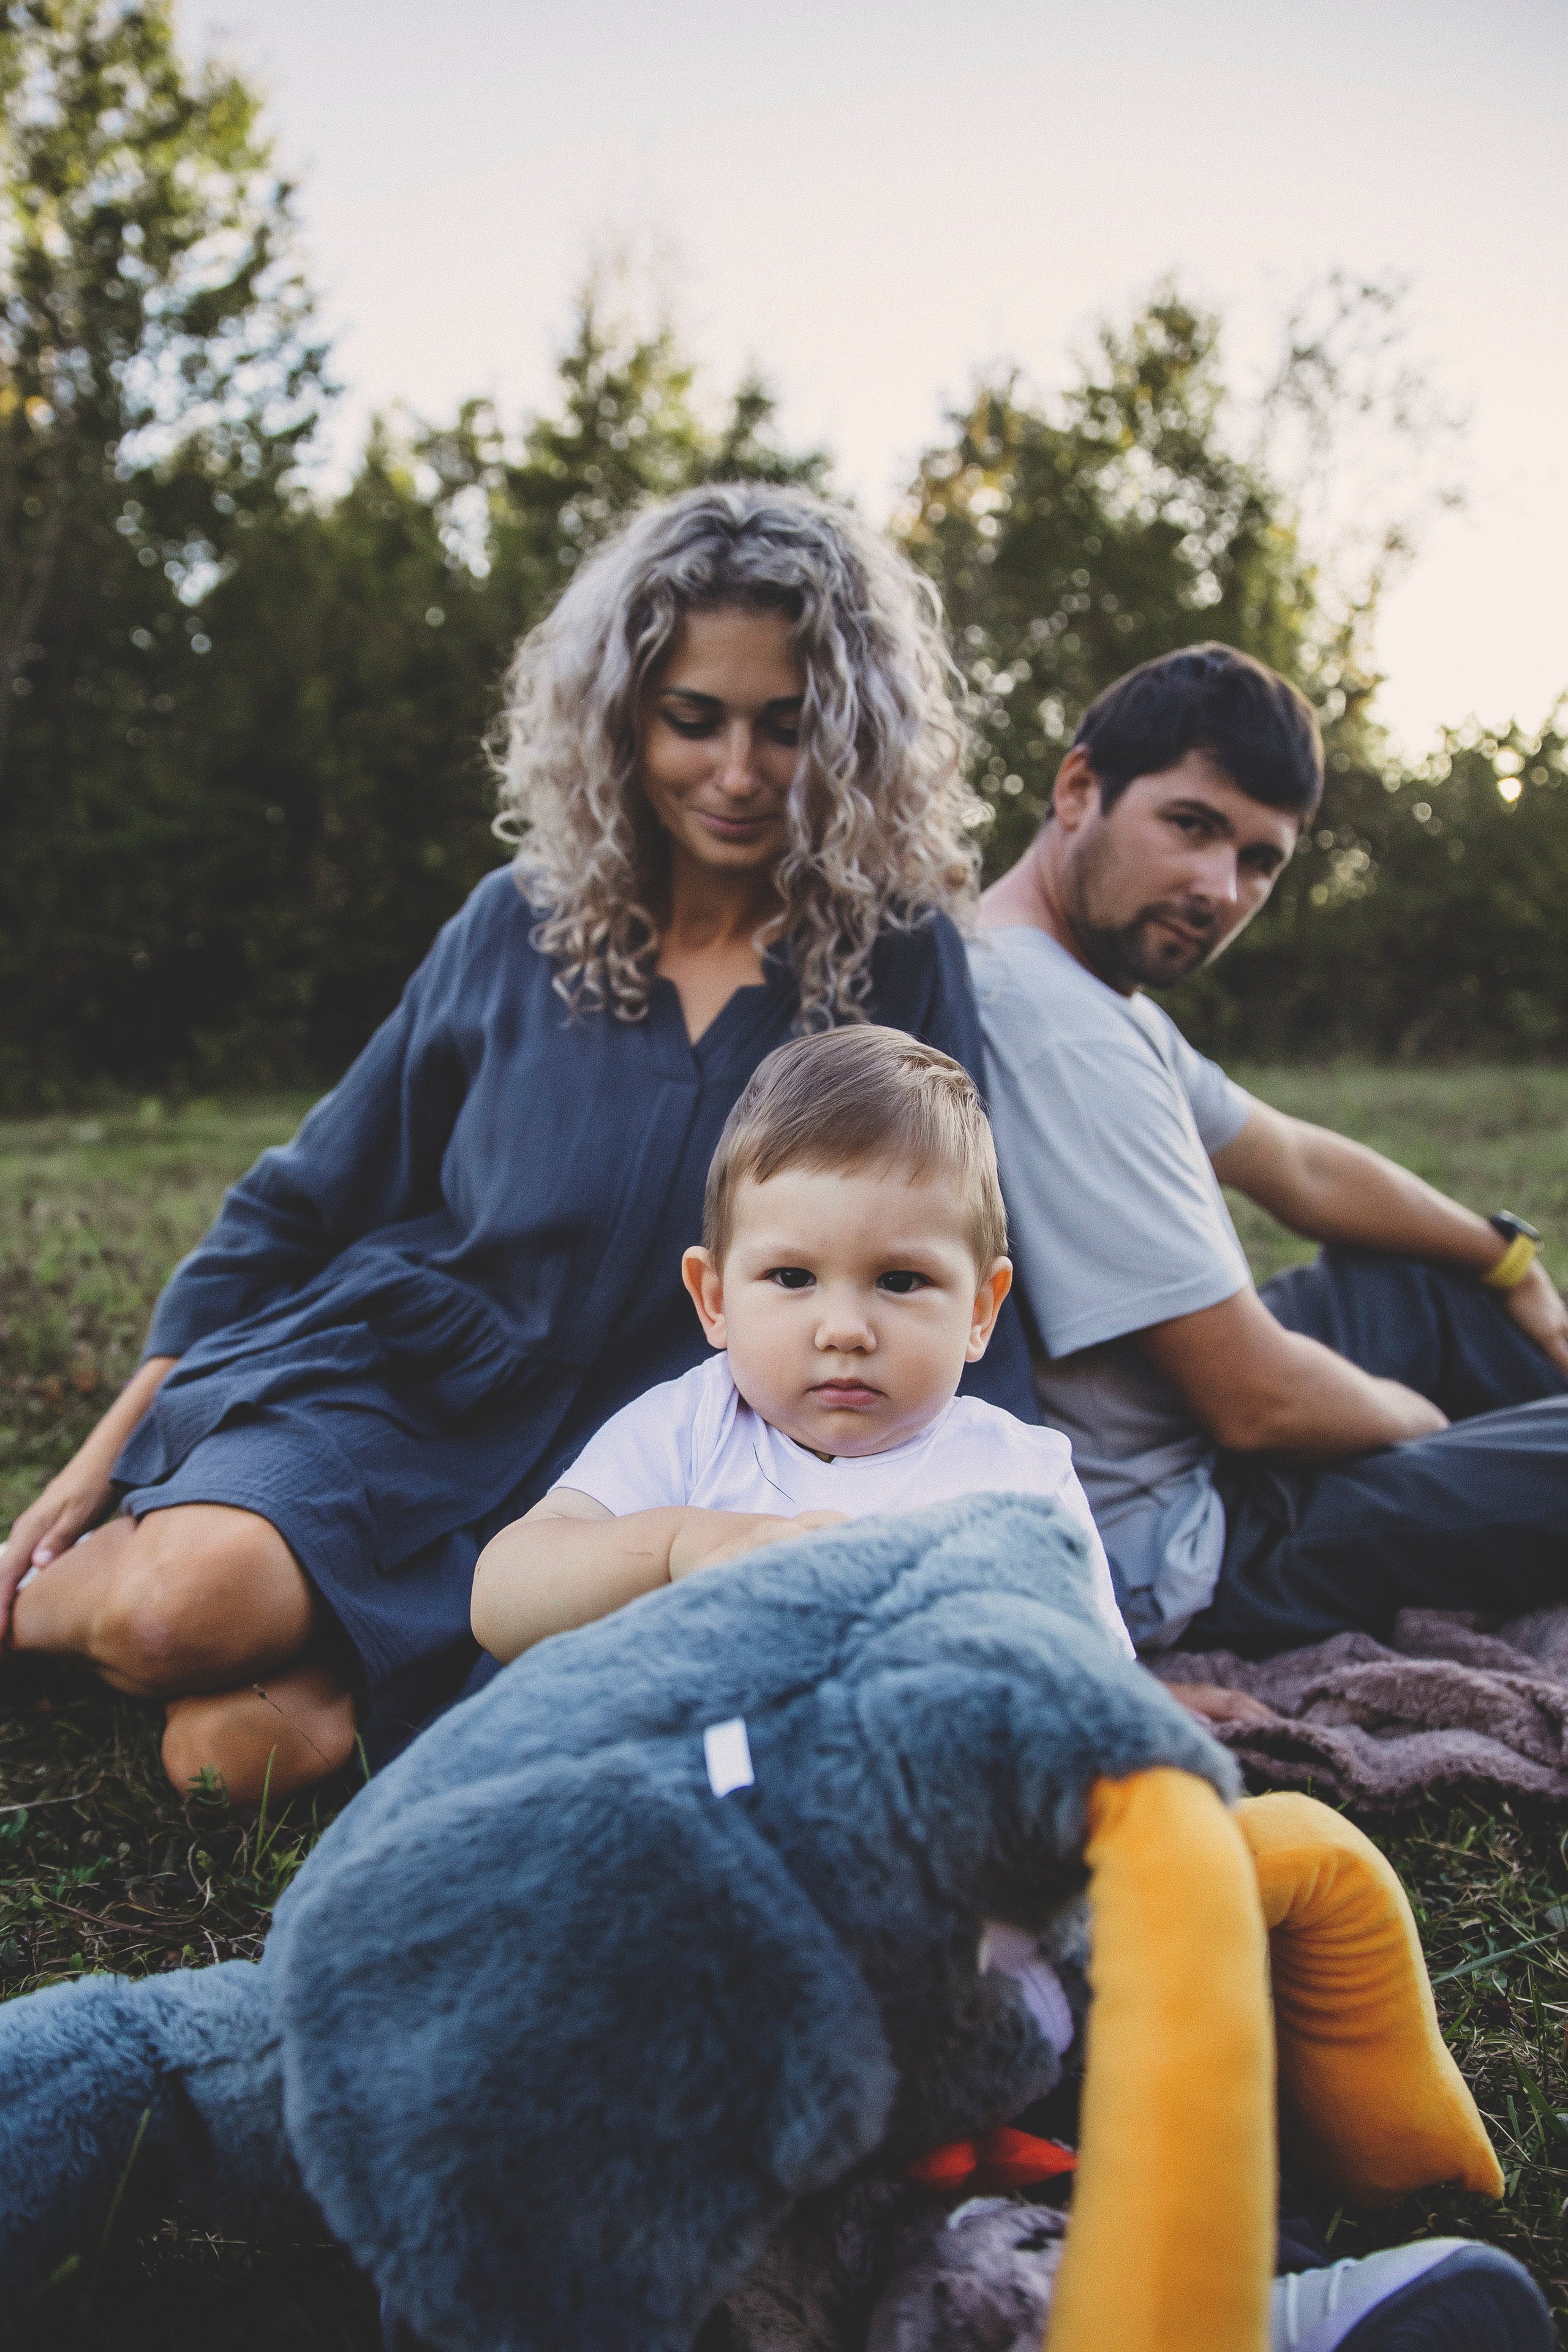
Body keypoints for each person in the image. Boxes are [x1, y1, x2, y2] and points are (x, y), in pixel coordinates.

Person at [0, 485, 1037, 1800]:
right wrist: (93, 1468)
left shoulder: (898, 956)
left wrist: (1035, 1588)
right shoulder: (514, 924)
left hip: (629, 1486)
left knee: (241, 1754)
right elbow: (298, 1206)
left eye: (784, 728)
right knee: (173, 1609)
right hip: (407, 1394)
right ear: (620, 718)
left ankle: (337, 1645)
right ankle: (72, 1601)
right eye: (691, 719)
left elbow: (960, 1249)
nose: (735, 773)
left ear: (847, 735)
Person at [970, 641, 1568, 1673]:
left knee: (1425, 1288)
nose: (1220, 887)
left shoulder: (1075, 986)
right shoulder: (1054, 1026)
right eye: (1192, 826)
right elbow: (1258, 1403)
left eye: (1259, 859)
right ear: (1079, 789)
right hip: (1180, 1540)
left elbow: (1299, 1166)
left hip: (1187, 1438)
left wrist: (1501, 1257)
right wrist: (1418, 1427)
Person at [471, 1025, 1131, 1664]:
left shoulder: (1018, 1481)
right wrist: (679, 1547)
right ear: (716, 1299)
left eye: (901, 1281)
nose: (843, 1329)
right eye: (792, 1277)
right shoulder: (692, 1431)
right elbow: (500, 1602)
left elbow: (1097, 1693)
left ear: (979, 1311)